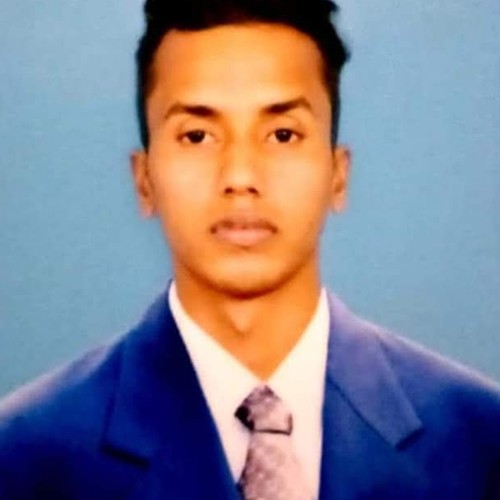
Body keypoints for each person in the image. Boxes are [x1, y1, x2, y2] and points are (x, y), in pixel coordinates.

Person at [1, 0, 499, 498]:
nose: (240, 176)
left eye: (282, 134)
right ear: (144, 179)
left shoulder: (481, 440)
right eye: (198, 136)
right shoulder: (26, 455)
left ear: (338, 174)